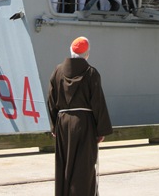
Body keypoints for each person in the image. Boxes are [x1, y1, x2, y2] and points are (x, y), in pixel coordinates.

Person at [47, 36, 113, 196]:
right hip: (84, 124)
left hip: (63, 124)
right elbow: (98, 102)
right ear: (87, 54)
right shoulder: (91, 73)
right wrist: (101, 130)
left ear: (70, 52)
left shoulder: (57, 71)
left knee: (64, 166)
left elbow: (51, 99)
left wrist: (54, 126)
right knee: (84, 167)